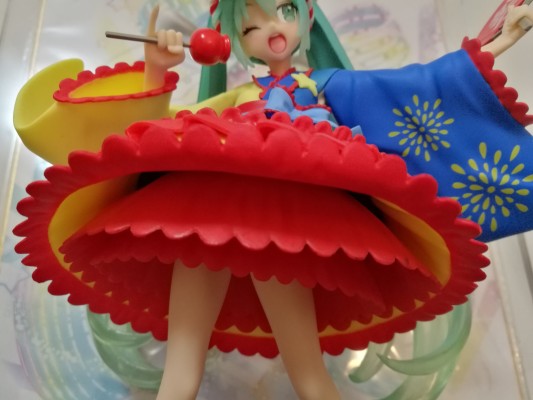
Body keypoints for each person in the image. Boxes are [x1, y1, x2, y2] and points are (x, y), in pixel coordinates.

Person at [12, 1, 533, 399]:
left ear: (308, 17)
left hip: (292, 223)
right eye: (249, 27)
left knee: (309, 375)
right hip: (201, 209)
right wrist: (155, 68)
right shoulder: (233, 101)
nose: (271, 28)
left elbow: (417, 85)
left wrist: (497, 39)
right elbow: (153, 133)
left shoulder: (327, 87)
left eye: (284, 9)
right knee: (181, 372)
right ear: (233, 41)